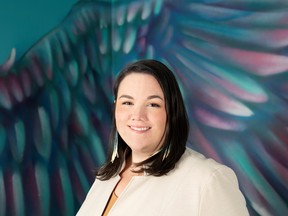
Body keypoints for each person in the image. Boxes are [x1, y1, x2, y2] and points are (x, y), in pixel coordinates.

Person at [76, 59, 249, 216]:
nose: (137, 115)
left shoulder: (207, 180)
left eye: (153, 104)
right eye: (127, 103)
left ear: (172, 111)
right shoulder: (108, 175)